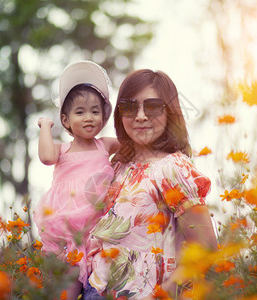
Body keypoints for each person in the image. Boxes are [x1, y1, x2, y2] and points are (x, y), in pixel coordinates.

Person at [84, 69, 218, 299]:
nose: (141, 116)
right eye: (129, 107)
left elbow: (205, 249)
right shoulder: (116, 167)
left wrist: (162, 295)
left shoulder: (173, 168)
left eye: (153, 106)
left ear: (170, 112)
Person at [33, 60, 120, 299]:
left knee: (98, 286)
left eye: (95, 111)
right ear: (65, 120)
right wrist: (45, 126)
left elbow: (133, 147)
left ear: (103, 117)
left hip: (96, 232)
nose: (89, 117)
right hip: (68, 232)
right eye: (79, 112)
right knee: (67, 289)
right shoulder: (63, 150)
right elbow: (46, 156)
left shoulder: (106, 145)